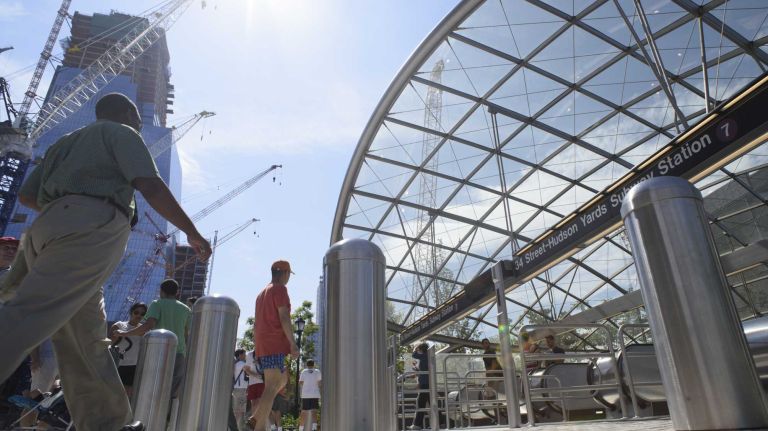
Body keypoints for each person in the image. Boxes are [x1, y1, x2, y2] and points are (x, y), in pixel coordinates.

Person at [0, 93, 211, 431]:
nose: (140, 123)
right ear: (126, 112)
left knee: (84, 339)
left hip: (49, 226)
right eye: (138, 117)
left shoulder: (65, 143)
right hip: (90, 226)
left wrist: (65, 213)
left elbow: (27, 195)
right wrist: (193, 233)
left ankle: (106, 424)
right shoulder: (123, 133)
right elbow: (151, 186)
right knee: (32, 311)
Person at [247, 260, 299, 431]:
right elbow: (284, 316)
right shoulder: (280, 289)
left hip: (263, 343)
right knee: (271, 385)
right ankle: (258, 424)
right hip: (274, 342)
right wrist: (293, 343)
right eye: (288, 275)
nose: (288, 279)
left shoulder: (262, 293)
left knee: (281, 380)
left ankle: (257, 419)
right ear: (284, 273)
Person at [117, 279, 191, 399]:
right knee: (172, 391)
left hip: (159, 350)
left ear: (161, 291)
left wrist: (124, 333)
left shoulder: (157, 304)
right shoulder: (186, 309)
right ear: (177, 292)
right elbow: (187, 334)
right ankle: (168, 415)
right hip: (179, 352)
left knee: (154, 387)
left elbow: (148, 326)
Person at [109, 302, 147, 398]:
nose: (139, 315)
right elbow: (110, 342)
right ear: (131, 312)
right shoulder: (119, 325)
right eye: (136, 312)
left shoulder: (144, 330)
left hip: (134, 366)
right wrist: (118, 335)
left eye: (142, 314)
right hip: (118, 364)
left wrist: (124, 334)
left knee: (127, 395)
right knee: (113, 392)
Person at [408, 343, 429, 430]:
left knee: (420, 404)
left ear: (421, 349)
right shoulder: (426, 357)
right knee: (430, 403)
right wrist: (417, 370)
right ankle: (441, 423)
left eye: (419, 349)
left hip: (425, 384)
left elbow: (414, 354)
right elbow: (423, 371)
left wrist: (415, 347)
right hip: (426, 383)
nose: (418, 351)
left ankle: (417, 425)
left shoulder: (424, 356)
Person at [298, 359, 321, 431]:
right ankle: (314, 427)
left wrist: (306, 386)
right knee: (314, 411)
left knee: (304, 412)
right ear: (313, 364)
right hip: (315, 394)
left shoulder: (304, 372)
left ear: (306, 364)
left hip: (306, 395)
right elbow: (320, 382)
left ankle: (301, 428)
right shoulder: (317, 371)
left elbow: (301, 382)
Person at [244, 349, 265, 418]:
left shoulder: (265, 352)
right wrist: (256, 375)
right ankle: (253, 422)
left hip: (262, 382)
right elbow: (246, 369)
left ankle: (257, 421)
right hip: (252, 383)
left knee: (260, 403)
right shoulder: (250, 354)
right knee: (253, 404)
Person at [232, 349, 248, 431]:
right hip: (242, 389)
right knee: (241, 411)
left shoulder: (234, 364)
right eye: (244, 354)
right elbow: (250, 372)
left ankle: (238, 427)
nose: (245, 356)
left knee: (236, 410)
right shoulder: (243, 364)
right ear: (240, 355)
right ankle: (240, 428)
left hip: (235, 389)